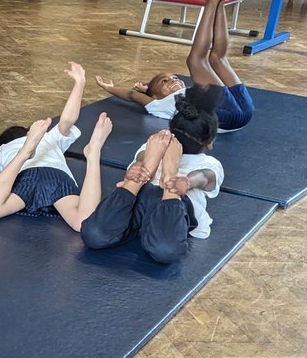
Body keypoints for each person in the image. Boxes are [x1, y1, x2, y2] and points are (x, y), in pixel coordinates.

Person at [0, 62, 104, 232]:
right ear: (28, 132)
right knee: (83, 222)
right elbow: (67, 120)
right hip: (55, 176)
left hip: (24, 176)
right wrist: (79, 83)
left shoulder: (0, 152)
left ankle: (25, 153)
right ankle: (93, 154)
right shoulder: (47, 137)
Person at [80, 85, 225, 264]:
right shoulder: (153, 146)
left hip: (173, 207)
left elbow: (204, 176)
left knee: (165, 251)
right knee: (93, 235)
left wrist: (184, 181)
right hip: (138, 199)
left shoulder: (209, 165)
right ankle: (145, 176)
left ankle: (166, 179)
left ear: (171, 129)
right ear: (210, 143)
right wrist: (139, 168)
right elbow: (140, 158)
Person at [95, 0, 254, 132]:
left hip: (247, 112)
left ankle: (220, 1)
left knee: (218, 59)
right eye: (164, 81)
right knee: (195, 61)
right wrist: (109, 88)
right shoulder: (156, 104)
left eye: (174, 78)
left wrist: (148, 88)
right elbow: (131, 95)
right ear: (154, 95)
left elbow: (156, 90)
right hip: (222, 117)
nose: (173, 80)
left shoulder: (182, 92)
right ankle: (211, 1)